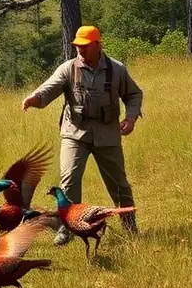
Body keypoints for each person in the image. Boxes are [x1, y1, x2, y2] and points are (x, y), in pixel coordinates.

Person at [21, 25, 142, 242]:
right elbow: (49, 88)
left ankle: (130, 229)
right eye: (77, 46)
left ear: (98, 45)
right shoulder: (68, 69)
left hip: (107, 134)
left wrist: (131, 118)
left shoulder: (117, 70)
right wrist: (35, 98)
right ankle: (66, 228)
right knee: (69, 179)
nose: (80, 50)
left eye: (85, 46)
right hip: (74, 133)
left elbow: (134, 95)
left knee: (119, 184)